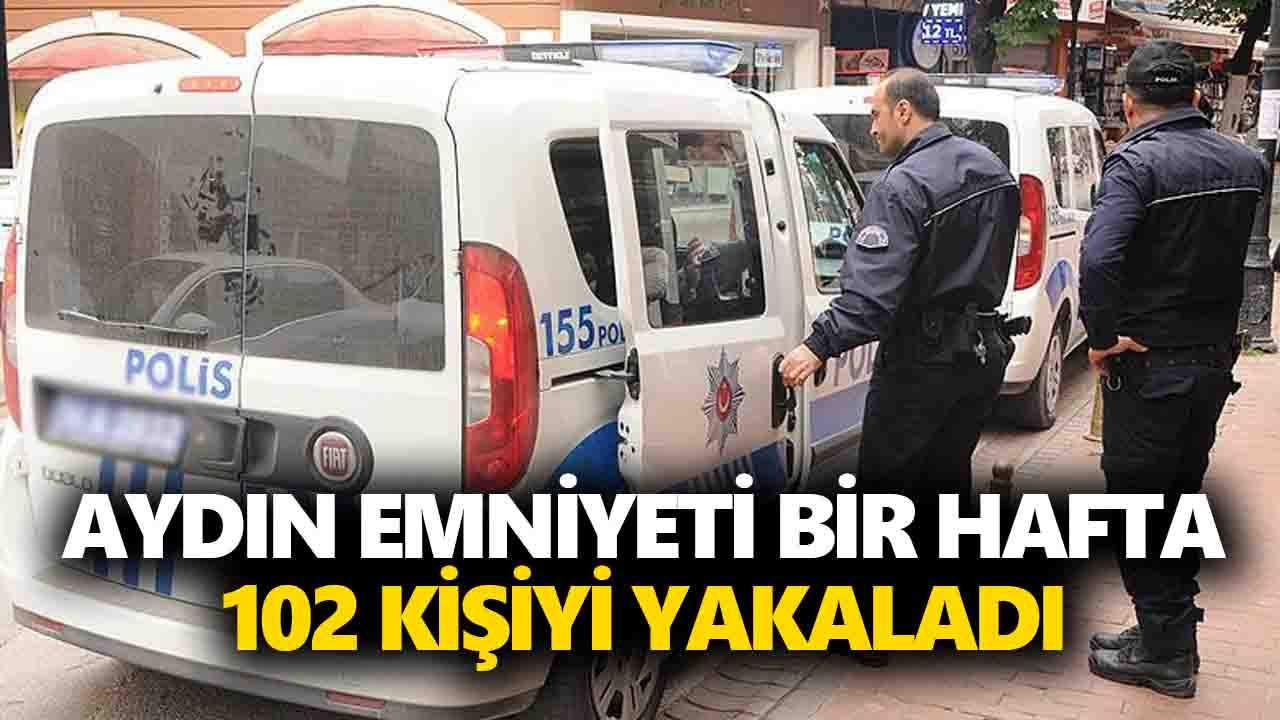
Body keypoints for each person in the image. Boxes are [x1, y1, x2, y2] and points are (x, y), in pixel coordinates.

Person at [1080, 40, 1268, 699]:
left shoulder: (1135, 162)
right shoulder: (1245, 161)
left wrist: (1102, 337)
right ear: (1195, 96)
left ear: (1130, 103)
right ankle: (1165, 633)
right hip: (1211, 360)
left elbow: (1099, 259)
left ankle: (1165, 654)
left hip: (1150, 363)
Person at [778, 68, 1021, 499]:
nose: (872, 128)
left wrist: (817, 345)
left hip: (921, 364)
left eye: (876, 115)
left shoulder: (902, 184)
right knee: (947, 477)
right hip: (982, 354)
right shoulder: (992, 168)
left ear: (904, 111)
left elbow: (872, 296)